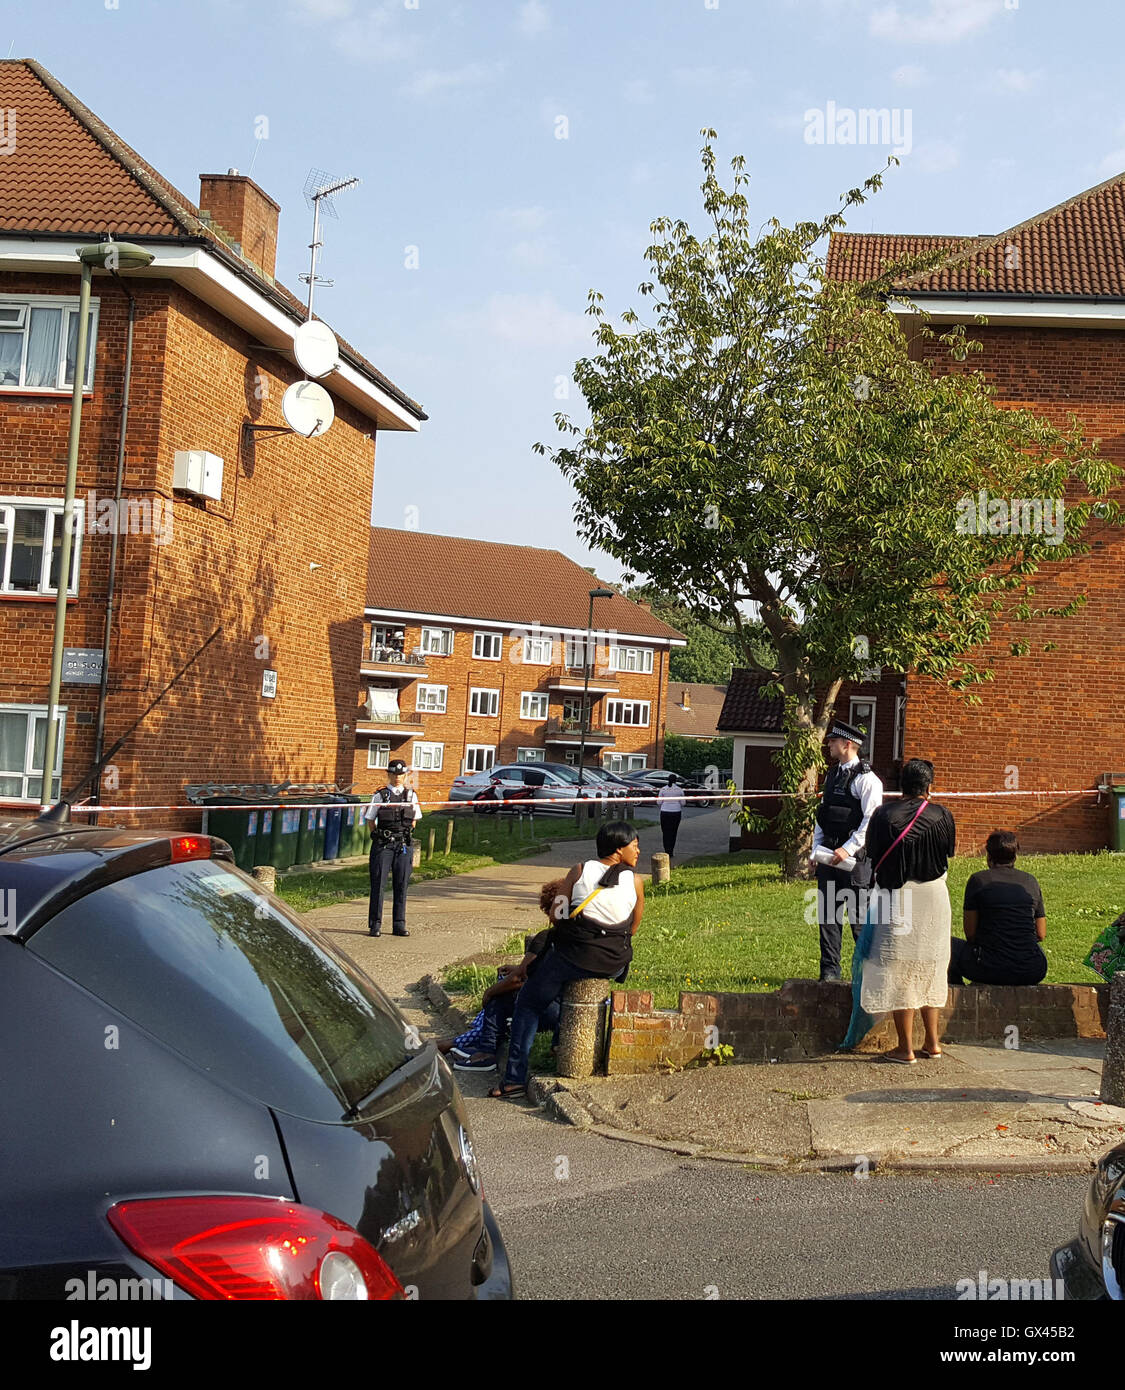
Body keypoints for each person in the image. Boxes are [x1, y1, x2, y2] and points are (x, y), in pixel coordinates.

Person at [490, 820, 644, 1100]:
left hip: (574, 956)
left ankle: (513, 1079)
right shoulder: (635, 880)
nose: (638, 851)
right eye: (634, 846)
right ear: (619, 849)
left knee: (528, 1002)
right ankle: (559, 1043)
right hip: (615, 962)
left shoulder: (580, 870)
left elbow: (556, 916)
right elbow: (634, 925)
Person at [860, 758, 956, 1063]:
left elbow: (872, 853)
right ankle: (933, 1042)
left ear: (900, 785)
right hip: (935, 896)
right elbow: (948, 852)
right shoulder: (943, 815)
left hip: (898, 896)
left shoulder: (883, 815)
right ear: (929, 786)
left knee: (897, 968)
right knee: (931, 965)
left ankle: (905, 1048)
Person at [436, 883, 566, 1072]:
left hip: (546, 1009)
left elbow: (520, 978)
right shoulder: (577, 938)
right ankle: (470, 1043)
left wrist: (490, 992)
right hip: (563, 1011)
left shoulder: (546, 937)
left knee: (502, 995)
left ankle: (486, 1052)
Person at [810, 719, 884, 982]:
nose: (828, 744)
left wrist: (848, 848)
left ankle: (869, 974)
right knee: (828, 917)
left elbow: (870, 820)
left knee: (859, 919)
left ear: (848, 744)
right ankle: (829, 972)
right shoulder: (832, 775)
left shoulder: (867, 780)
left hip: (854, 861)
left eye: (833, 740)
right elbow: (823, 816)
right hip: (829, 857)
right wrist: (815, 851)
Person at [949, 830, 1048, 986]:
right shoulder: (1031, 881)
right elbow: (1041, 934)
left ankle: (960, 994)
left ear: (989, 856)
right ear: (1015, 856)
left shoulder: (978, 880)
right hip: (1031, 969)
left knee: (947, 946)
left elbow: (970, 934)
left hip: (989, 968)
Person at [364, 759, 422, 937]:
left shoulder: (412, 796)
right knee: (378, 884)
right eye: (394, 774)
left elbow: (414, 821)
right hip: (383, 846)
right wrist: (380, 835)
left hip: (403, 845)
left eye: (401, 774)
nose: (397, 778)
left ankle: (399, 924)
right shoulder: (380, 796)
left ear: (405, 776)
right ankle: (375, 925)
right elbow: (370, 820)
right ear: (388, 775)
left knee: (401, 884)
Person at [657, 777, 686, 857]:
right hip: (676, 812)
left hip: (665, 812)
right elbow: (683, 803)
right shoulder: (679, 790)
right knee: (673, 832)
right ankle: (671, 850)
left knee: (665, 832)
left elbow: (659, 802)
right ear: (675, 781)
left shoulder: (663, 789)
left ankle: (666, 849)